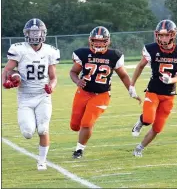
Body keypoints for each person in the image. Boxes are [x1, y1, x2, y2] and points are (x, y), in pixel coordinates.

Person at [70, 26, 141, 159]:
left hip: (101, 95)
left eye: (101, 41)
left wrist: (132, 91)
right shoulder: (83, 54)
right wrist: (77, 81)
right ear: (90, 40)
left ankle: (79, 149)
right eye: (95, 40)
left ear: (107, 41)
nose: (98, 43)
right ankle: (81, 138)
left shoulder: (114, 56)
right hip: (83, 92)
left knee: (87, 123)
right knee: (74, 125)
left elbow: (124, 76)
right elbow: (73, 72)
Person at [2, 18, 60, 170]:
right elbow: (7, 70)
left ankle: (42, 161)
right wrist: (6, 81)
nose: (35, 35)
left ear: (43, 33)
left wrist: (51, 87)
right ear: (26, 33)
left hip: (43, 96)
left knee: (43, 129)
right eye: (32, 32)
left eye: (37, 32)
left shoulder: (50, 51)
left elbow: (53, 77)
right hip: (25, 97)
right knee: (28, 133)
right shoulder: (19, 49)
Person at [129, 19, 177, 157]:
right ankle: (141, 121)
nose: (162, 38)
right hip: (153, 91)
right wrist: (132, 85)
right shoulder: (151, 49)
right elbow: (140, 66)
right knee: (149, 119)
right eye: (160, 35)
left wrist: (171, 80)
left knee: (158, 127)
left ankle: (140, 148)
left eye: (166, 35)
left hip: (169, 94)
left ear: (173, 35)